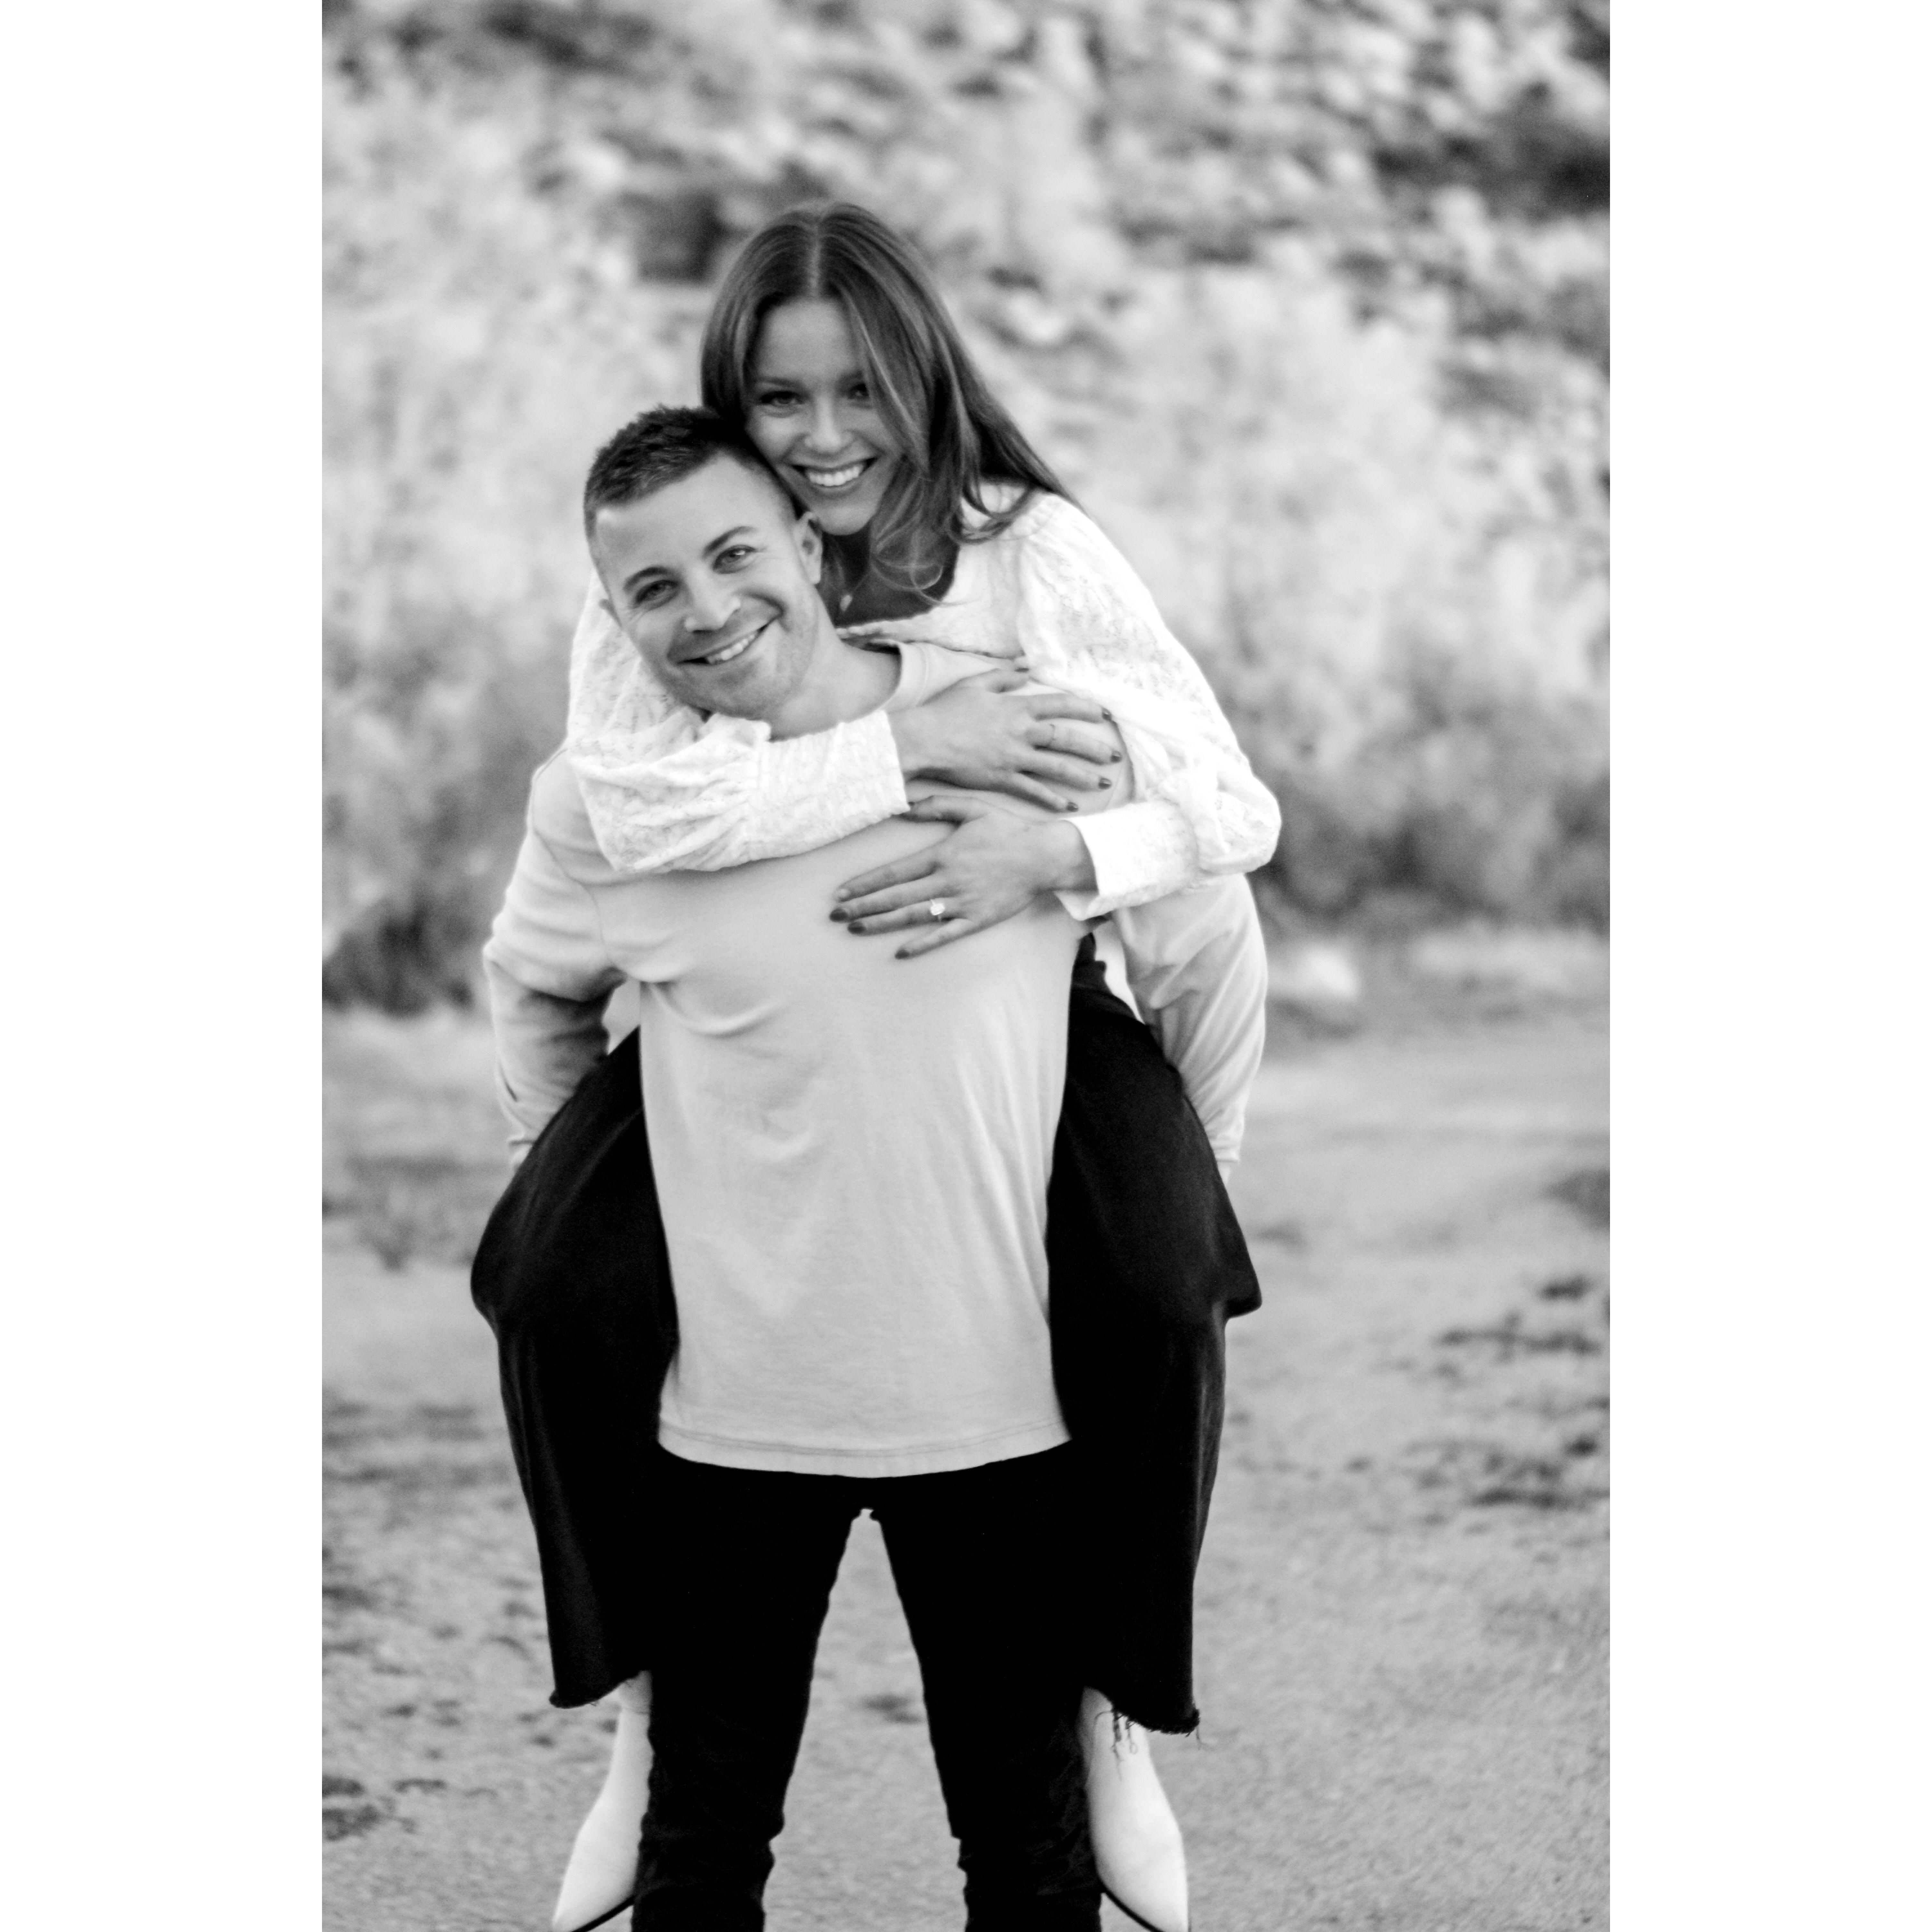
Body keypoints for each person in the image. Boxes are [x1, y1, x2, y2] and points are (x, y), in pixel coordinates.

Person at [490, 202, 1277, 1932]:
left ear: (927, 379)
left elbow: (1226, 821)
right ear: (735, 411)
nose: (828, 436)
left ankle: (1111, 1704)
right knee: (549, 1285)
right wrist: (906, 747)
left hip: (1042, 958)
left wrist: (1051, 855)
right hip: (726, 994)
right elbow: (638, 813)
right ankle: (638, 1706)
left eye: (862, 390)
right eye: (783, 399)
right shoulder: (671, 562)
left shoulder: (1030, 551)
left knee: (1162, 1283)